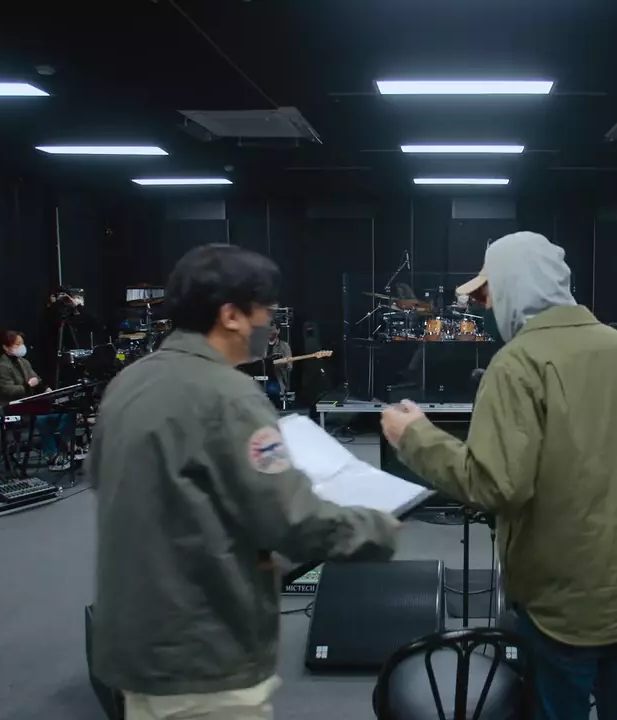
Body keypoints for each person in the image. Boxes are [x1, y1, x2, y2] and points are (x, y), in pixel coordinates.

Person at [90, 244, 399, 720]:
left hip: (137, 641)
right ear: (231, 315)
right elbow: (289, 519)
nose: (269, 327)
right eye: (266, 313)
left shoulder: (128, 383)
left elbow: (110, 482)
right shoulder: (229, 395)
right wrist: (377, 528)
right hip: (201, 653)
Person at [380, 231, 617, 720]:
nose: (488, 307)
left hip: (563, 602)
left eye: (489, 293)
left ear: (513, 285)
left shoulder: (517, 364)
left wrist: (414, 437)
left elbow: (496, 484)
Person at [0, 330, 74, 471]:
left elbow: (36, 379)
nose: (21, 347)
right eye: (17, 344)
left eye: (22, 343)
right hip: (9, 409)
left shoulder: (24, 362)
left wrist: (45, 388)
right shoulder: (1, 367)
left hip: (27, 406)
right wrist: (28, 386)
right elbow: (8, 391)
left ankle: (71, 447)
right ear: (5, 347)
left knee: (67, 414)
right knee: (42, 420)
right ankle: (52, 456)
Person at [263, 325, 293, 402]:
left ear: (278, 331)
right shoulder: (261, 346)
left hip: (277, 381)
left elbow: (289, 366)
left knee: (271, 390)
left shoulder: (284, 346)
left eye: (271, 330)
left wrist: (281, 364)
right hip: (261, 380)